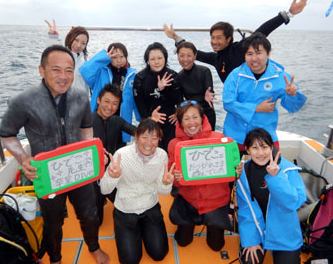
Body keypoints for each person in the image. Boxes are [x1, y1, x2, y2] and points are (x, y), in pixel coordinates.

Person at [0, 45, 109, 264]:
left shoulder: (80, 96)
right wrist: (23, 158)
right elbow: (7, 134)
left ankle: (94, 247)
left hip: (78, 168)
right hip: (46, 174)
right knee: (53, 221)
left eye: (69, 70)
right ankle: (55, 258)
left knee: (89, 213)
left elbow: (87, 127)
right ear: (42, 70)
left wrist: (91, 153)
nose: (63, 76)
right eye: (56, 69)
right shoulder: (23, 101)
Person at [163, 0, 309, 83]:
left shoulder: (241, 48)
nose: (214, 41)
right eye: (212, 37)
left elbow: (263, 30)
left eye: (219, 38)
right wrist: (174, 37)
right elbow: (194, 52)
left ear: (229, 39)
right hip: (234, 101)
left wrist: (289, 14)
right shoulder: (216, 59)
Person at [100, 119, 174, 264]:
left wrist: (166, 183)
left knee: (159, 254)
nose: (149, 143)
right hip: (125, 210)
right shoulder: (122, 154)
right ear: (137, 136)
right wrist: (111, 176)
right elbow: (104, 189)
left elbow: (164, 192)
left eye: (154, 138)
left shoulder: (162, 155)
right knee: (130, 261)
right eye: (145, 137)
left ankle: (145, 231)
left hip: (150, 207)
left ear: (159, 139)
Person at [167, 101, 239, 251]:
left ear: (202, 119)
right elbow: (174, 181)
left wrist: (236, 171)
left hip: (216, 200)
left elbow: (231, 173)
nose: (191, 123)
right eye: (186, 119)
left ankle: (215, 222)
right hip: (189, 200)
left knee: (216, 246)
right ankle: (186, 224)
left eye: (195, 117)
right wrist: (176, 179)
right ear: (180, 122)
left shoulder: (219, 138)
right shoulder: (174, 144)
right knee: (183, 241)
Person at [223, 32, 307, 152]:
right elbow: (228, 103)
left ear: (268, 54)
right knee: (233, 170)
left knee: (272, 167)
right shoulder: (236, 75)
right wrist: (256, 108)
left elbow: (292, 108)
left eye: (258, 53)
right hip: (235, 135)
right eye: (249, 54)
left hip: (265, 136)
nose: (254, 58)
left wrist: (292, 95)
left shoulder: (280, 76)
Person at [236, 128, 306, 264]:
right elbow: (246, 208)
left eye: (264, 147)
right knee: (250, 261)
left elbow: (292, 204)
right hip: (257, 228)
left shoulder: (287, 170)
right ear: (247, 150)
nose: (261, 153)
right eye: (255, 148)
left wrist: (276, 177)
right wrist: (251, 240)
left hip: (284, 233)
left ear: (272, 147)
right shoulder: (243, 172)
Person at [92, 83, 137, 225]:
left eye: (115, 104)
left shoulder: (116, 120)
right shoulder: (86, 123)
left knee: (130, 209)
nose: (110, 107)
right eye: (106, 101)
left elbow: (138, 132)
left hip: (112, 173)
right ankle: (99, 199)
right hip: (92, 178)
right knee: (97, 222)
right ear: (98, 100)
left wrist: (151, 123)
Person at [80, 42, 140, 144]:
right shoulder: (101, 72)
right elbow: (85, 71)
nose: (119, 60)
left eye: (122, 56)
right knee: (98, 145)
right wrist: (103, 57)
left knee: (119, 149)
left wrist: (141, 119)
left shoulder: (132, 76)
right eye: (114, 57)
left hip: (121, 121)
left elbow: (136, 100)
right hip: (100, 117)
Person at [133, 42, 183, 150]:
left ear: (165, 58)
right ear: (147, 60)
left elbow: (178, 100)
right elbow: (139, 103)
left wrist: (178, 113)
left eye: (160, 58)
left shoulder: (173, 76)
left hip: (170, 121)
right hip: (150, 122)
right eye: (152, 59)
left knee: (171, 150)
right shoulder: (140, 78)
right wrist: (149, 119)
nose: (156, 62)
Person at [176, 41, 217, 130]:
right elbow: (179, 101)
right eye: (182, 55)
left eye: (189, 55)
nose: (185, 59)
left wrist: (209, 95)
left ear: (195, 56)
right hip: (190, 116)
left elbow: (210, 90)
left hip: (206, 113)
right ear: (178, 57)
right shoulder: (178, 76)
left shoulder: (204, 71)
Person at [45, 20, 90, 95]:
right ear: (70, 38)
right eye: (76, 40)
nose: (78, 45)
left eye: (83, 43)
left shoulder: (84, 65)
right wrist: (53, 37)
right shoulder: (60, 57)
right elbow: (52, 53)